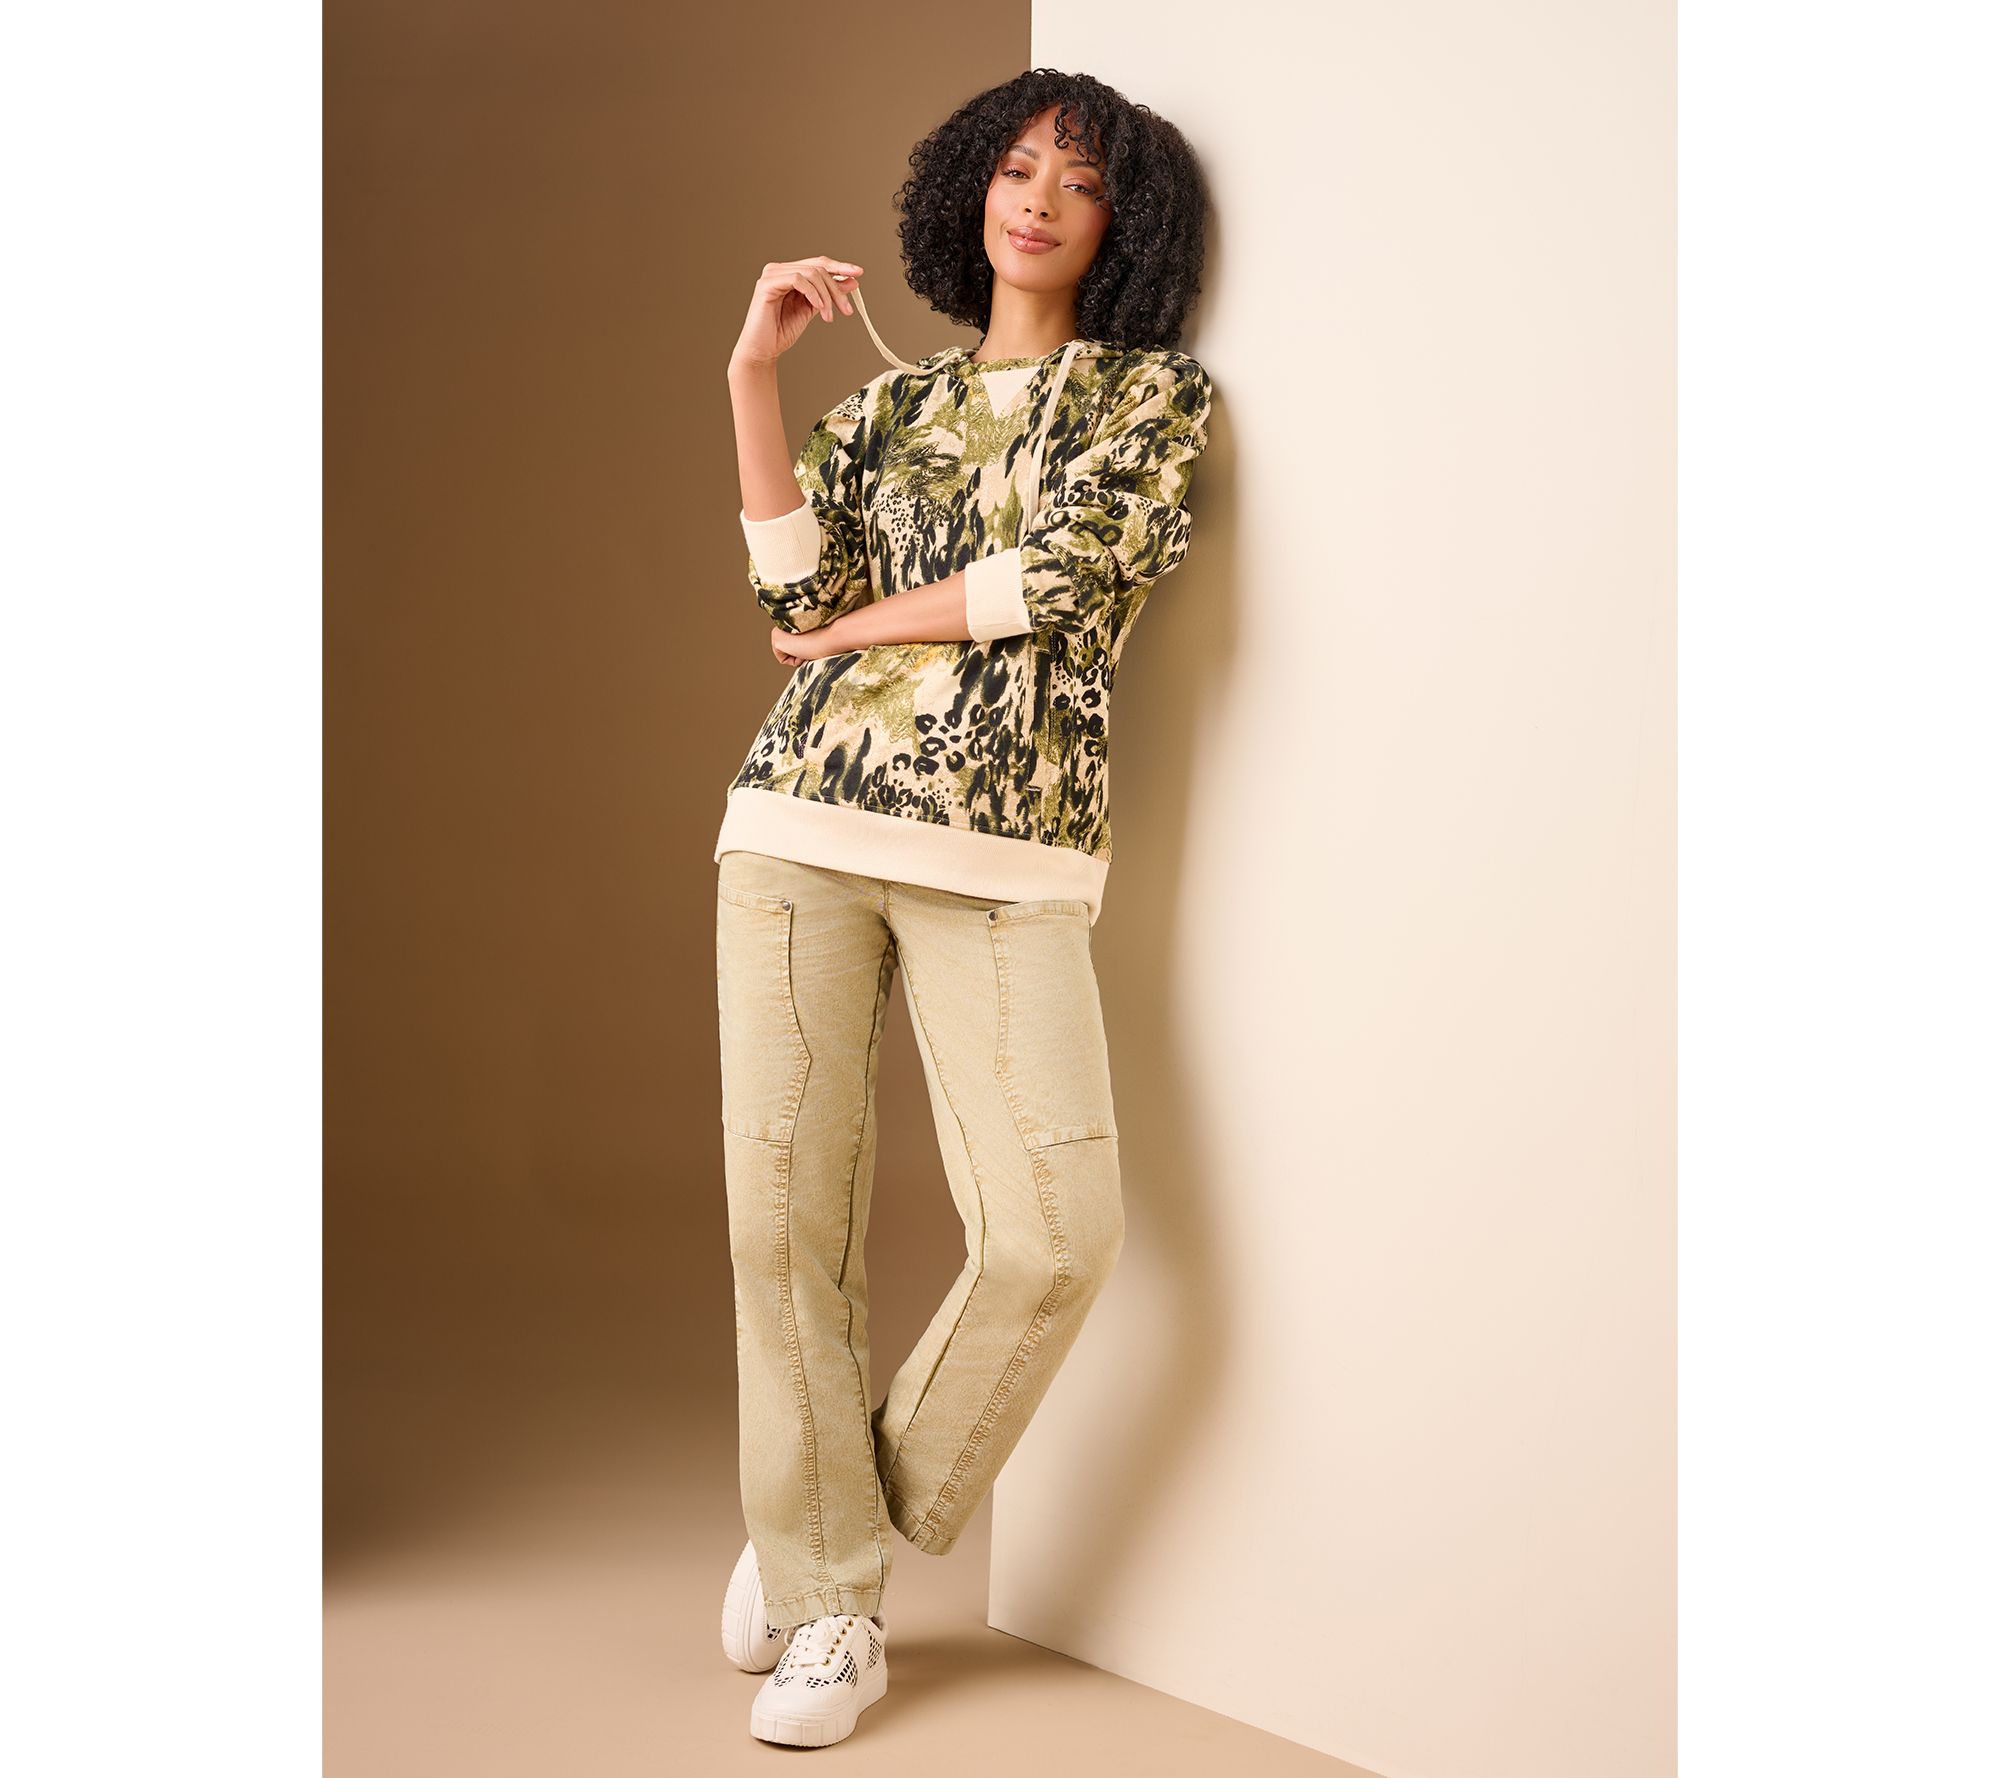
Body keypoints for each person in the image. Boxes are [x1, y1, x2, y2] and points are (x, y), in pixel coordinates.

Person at [713, 68, 1215, 1748]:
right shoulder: (890, 404)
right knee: (782, 1227)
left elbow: (1059, 580)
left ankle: (821, 1518)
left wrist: (857, 633)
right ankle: (830, 1606)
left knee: (1057, 1235)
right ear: (967, 192)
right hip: (798, 822)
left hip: (1006, 857)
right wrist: (753, 374)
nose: (1039, 198)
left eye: (1080, 180)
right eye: (1014, 167)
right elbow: (791, 582)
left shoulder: (1152, 399)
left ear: (1123, 225)